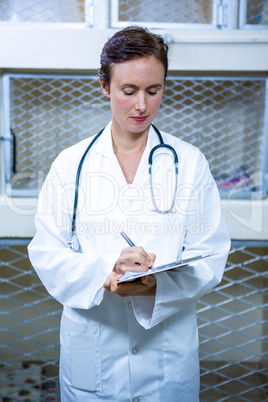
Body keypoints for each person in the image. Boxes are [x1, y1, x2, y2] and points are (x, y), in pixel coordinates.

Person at [28, 26, 230, 401]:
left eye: (154, 91)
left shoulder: (189, 162)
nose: (142, 105)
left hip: (166, 364)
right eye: (129, 91)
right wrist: (106, 270)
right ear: (105, 85)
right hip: (94, 362)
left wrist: (157, 284)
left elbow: (211, 253)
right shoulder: (70, 165)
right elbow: (46, 253)